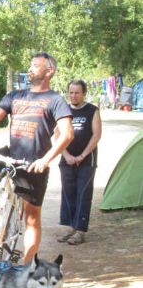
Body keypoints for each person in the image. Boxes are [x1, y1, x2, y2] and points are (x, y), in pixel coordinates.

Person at [0, 52, 74, 262]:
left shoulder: (55, 100)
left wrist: (45, 160)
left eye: (35, 66)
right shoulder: (15, 96)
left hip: (33, 166)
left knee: (32, 218)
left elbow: (67, 134)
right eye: (29, 65)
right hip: (9, 158)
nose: (30, 69)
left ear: (49, 71)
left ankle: (26, 265)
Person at [57, 80, 102, 245]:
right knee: (68, 192)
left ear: (84, 93)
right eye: (71, 92)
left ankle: (80, 230)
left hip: (86, 159)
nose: (73, 95)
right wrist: (66, 155)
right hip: (66, 159)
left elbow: (96, 135)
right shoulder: (63, 110)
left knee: (83, 193)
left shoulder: (92, 110)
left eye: (77, 92)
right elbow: (57, 136)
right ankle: (70, 227)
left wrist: (83, 155)